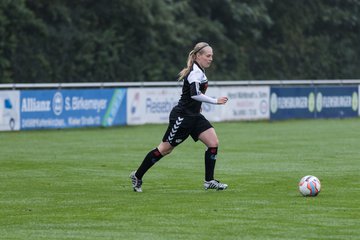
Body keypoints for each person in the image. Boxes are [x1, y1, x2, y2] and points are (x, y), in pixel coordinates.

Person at [130, 42, 229, 192]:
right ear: (198, 56)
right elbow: (195, 94)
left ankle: (209, 181)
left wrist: (197, 106)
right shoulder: (195, 72)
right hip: (182, 117)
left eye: (212, 56)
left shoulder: (200, 71)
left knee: (213, 143)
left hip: (194, 116)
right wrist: (216, 101)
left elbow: (195, 95)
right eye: (208, 56)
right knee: (164, 149)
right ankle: (137, 176)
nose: (211, 59)